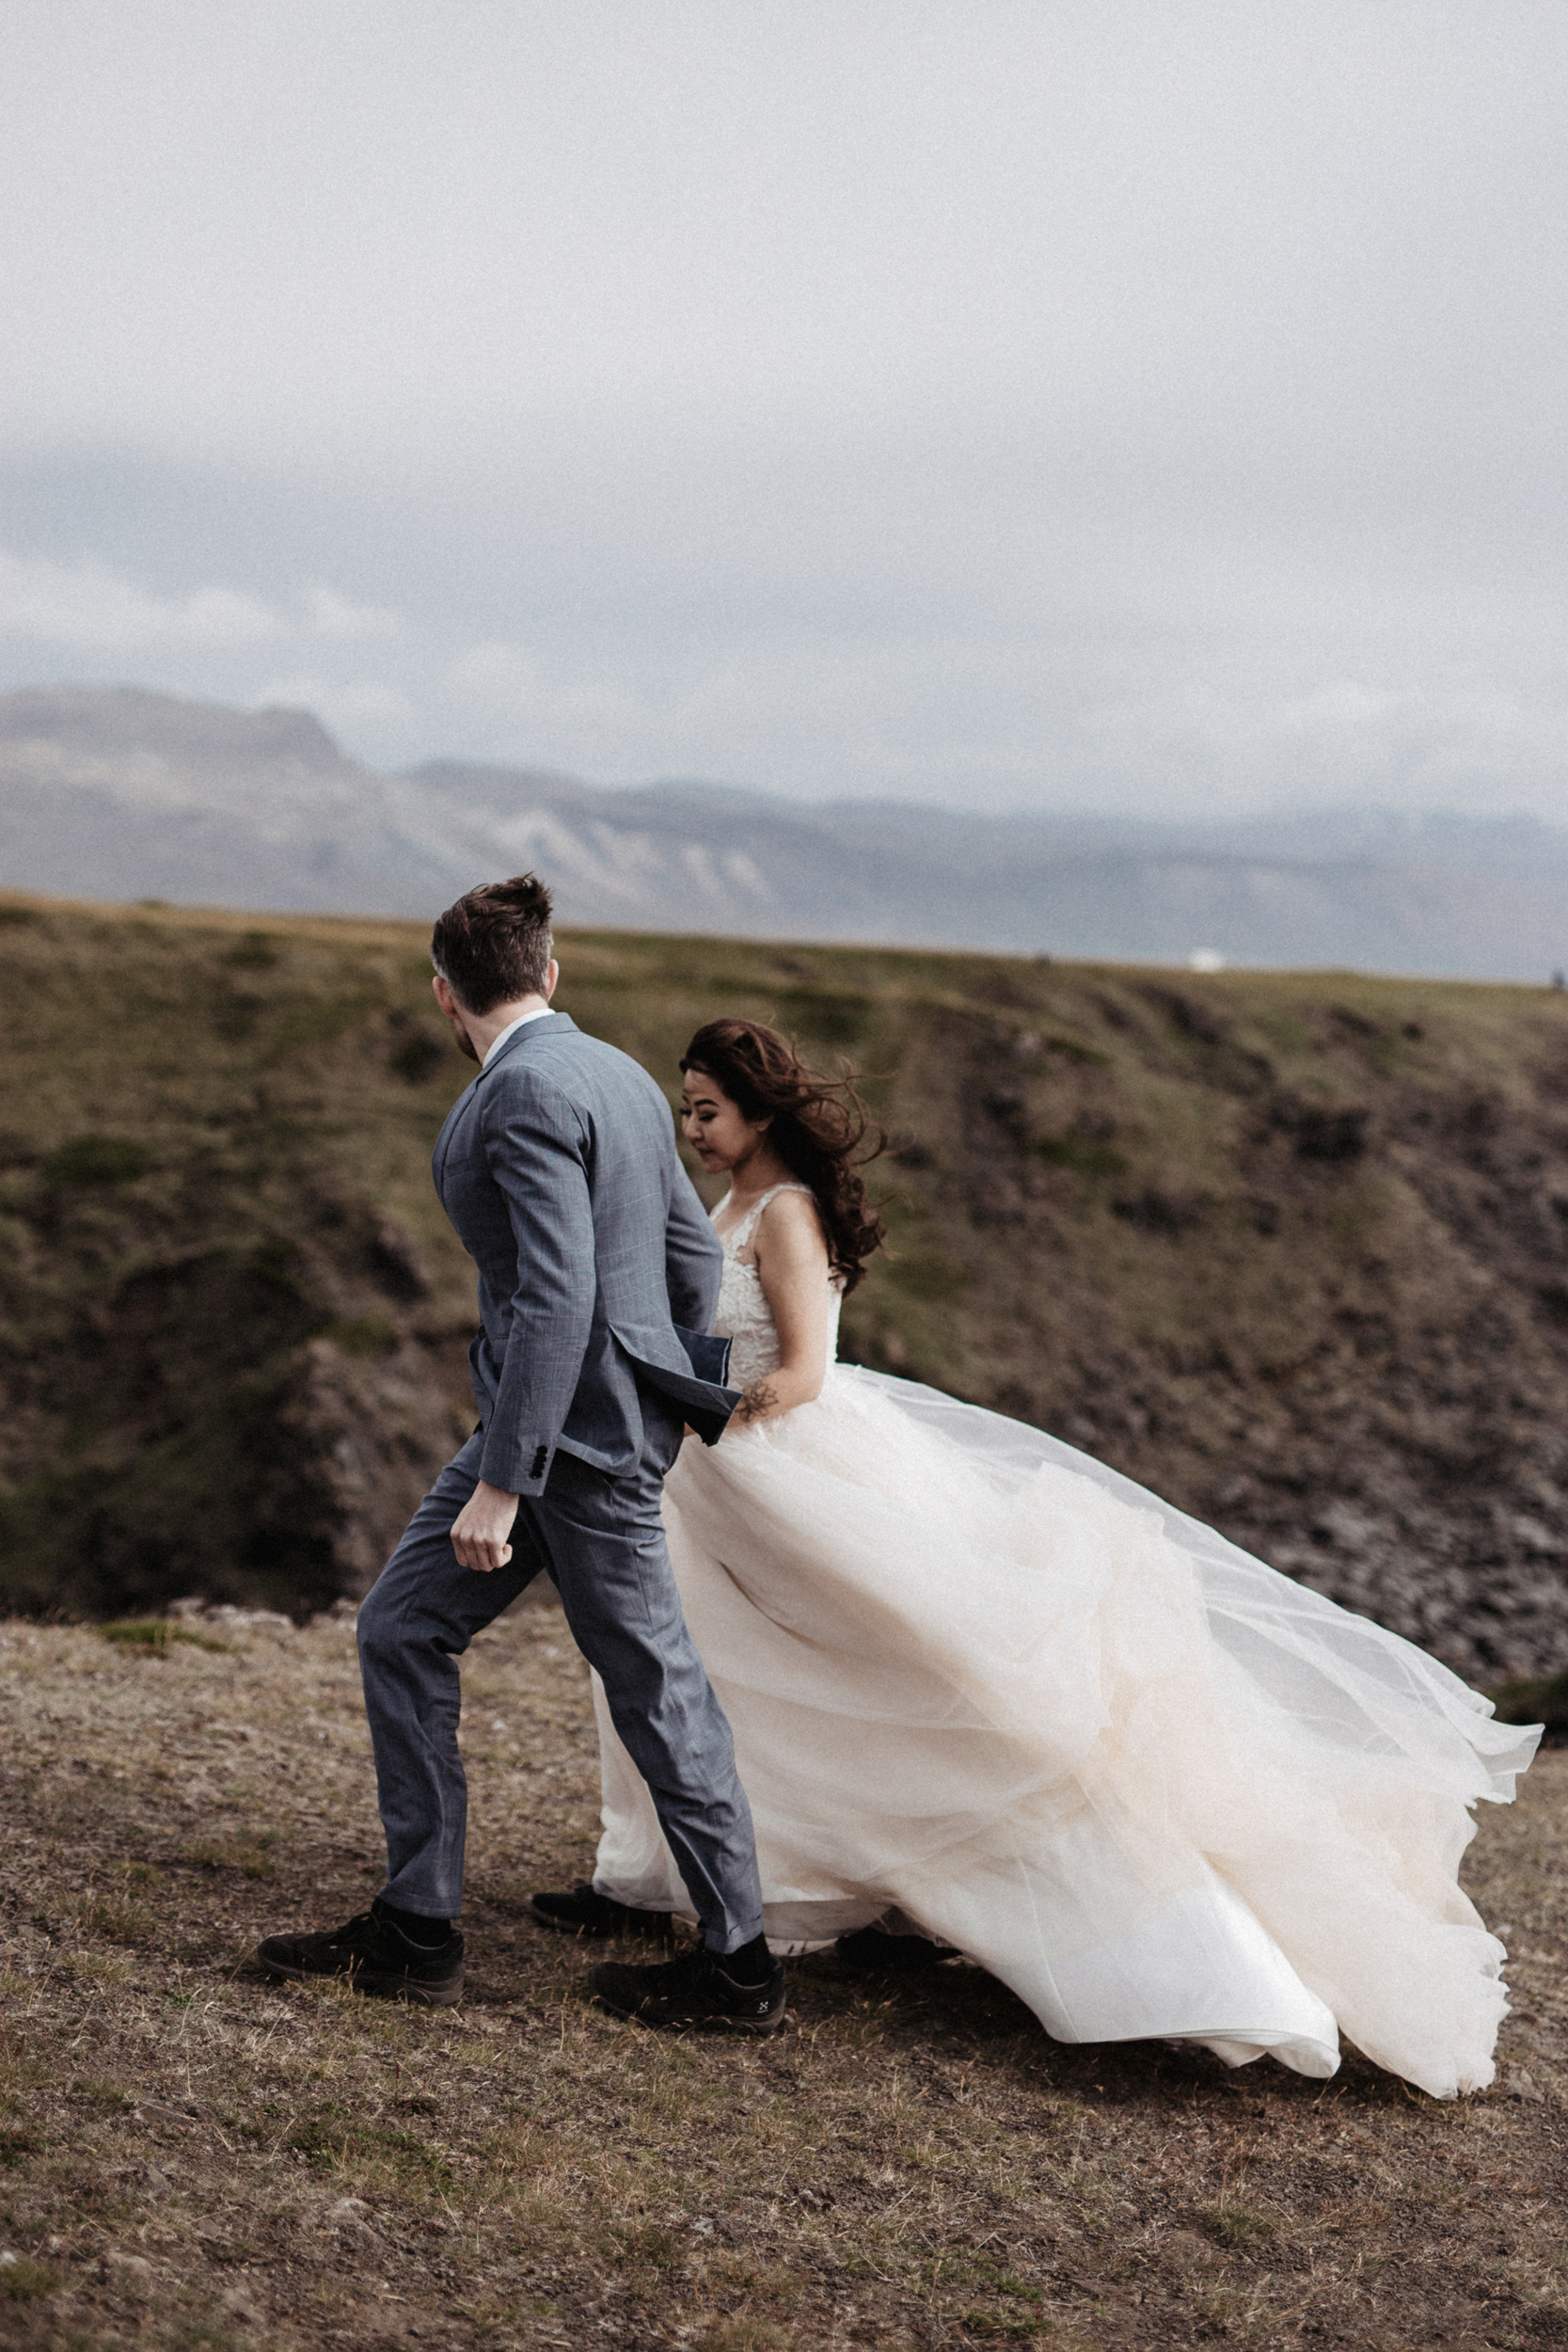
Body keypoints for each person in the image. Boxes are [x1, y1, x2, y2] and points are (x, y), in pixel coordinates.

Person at [538, 1017, 1540, 2100]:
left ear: (762, 1110)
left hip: (781, 1462)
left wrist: (707, 1417)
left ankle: (1147, 1947)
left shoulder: (783, 1212)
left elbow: (806, 1374)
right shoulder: (726, 1200)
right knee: (700, 1665)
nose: (691, 1130)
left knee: (899, 1676)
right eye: (685, 1110)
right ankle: (679, 1873)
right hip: (716, 1476)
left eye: (706, 1111)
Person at [258, 878, 785, 2034]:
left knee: (654, 1687)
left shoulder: (523, 1095)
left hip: (563, 1456)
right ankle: (415, 1926)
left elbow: (554, 1298)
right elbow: (689, 1260)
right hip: (549, 1427)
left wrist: (511, 1479)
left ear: (444, 994)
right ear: (548, 974)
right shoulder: (620, 1074)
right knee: (402, 1626)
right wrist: (663, 1400)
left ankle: (738, 1967)